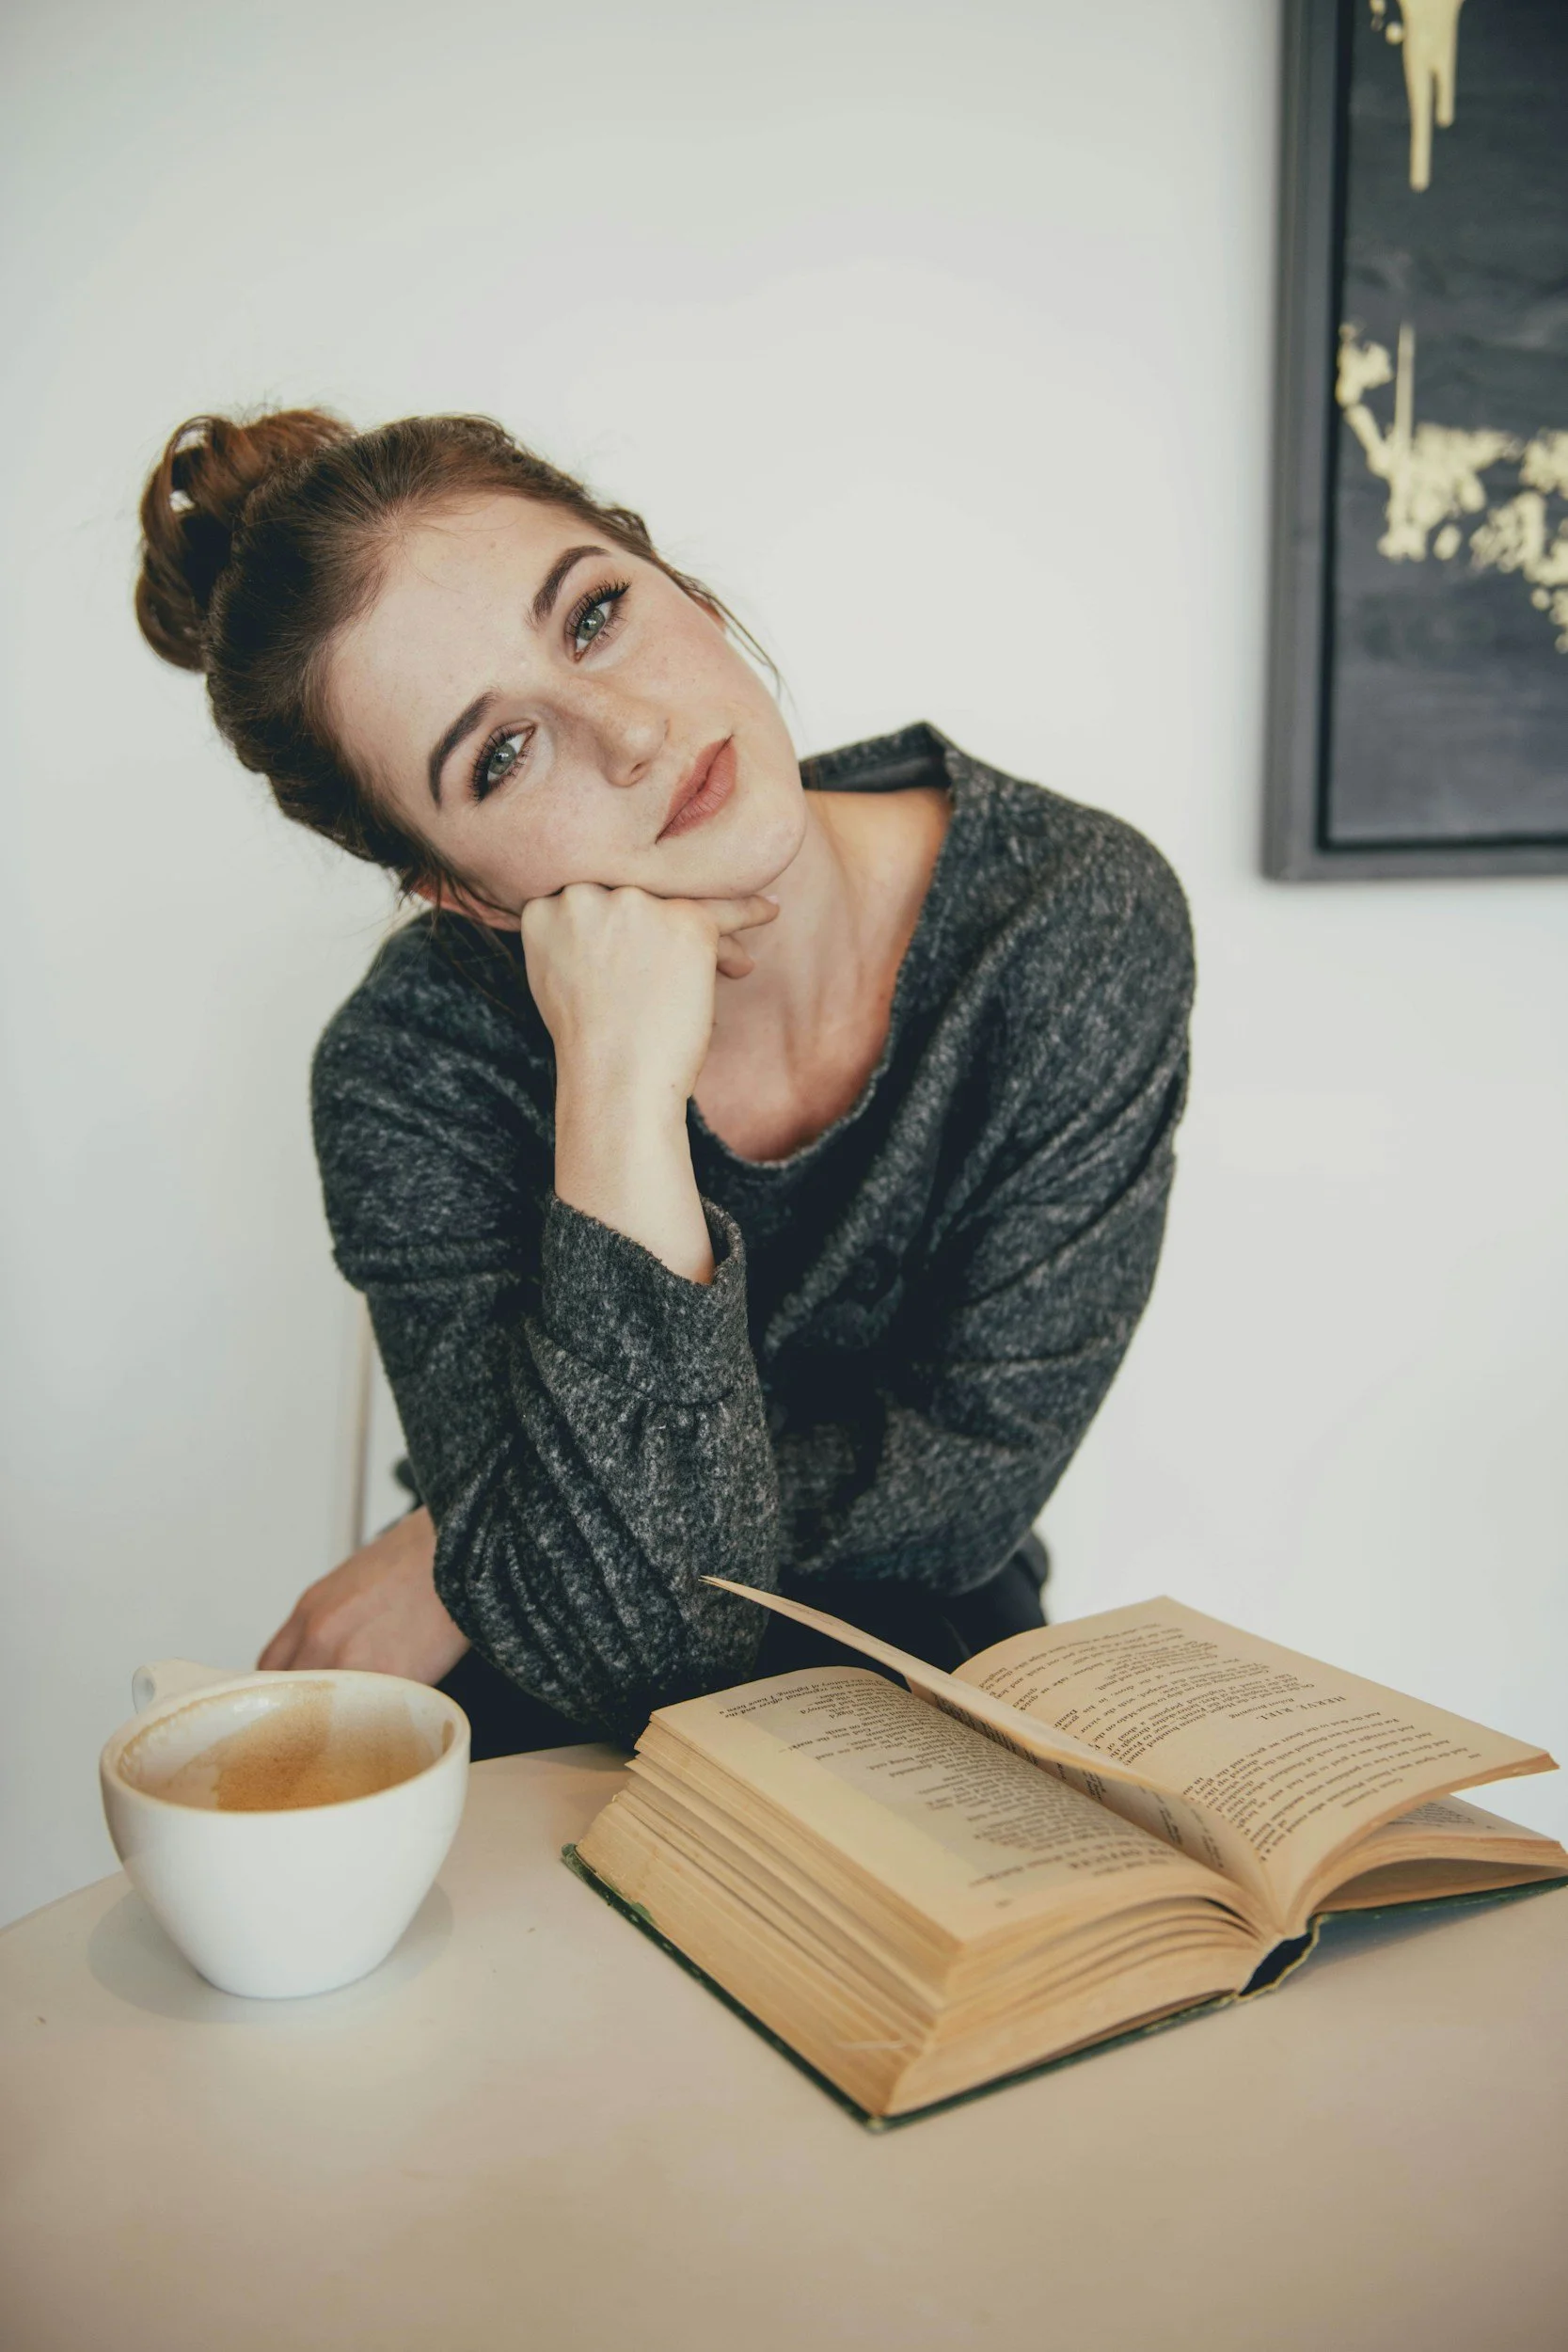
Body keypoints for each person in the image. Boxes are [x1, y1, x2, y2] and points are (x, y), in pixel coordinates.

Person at [134, 408, 1194, 1757]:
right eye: (501, 755)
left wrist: (474, 1531)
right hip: (553, 1693)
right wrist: (617, 1091)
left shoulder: (1063, 922)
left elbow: (972, 1484)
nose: (626, 732)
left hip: (918, 1649)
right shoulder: (411, 1065)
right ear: (460, 891)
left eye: (592, 617)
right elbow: (618, 1639)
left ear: (674, 579)